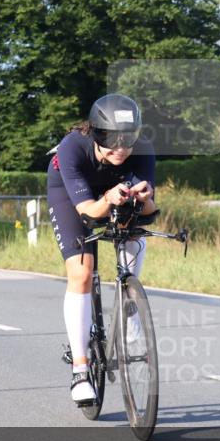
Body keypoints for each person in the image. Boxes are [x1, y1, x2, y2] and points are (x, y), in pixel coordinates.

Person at [46, 94, 156, 406]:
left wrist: (145, 198)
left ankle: (129, 301)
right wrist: (107, 199)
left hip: (112, 193)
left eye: (128, 139)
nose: (121, 149)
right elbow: (88, 211)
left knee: (133, 230)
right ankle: (80, 369)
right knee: (81, 272)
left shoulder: (143, 149)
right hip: (72, 197)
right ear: (96, 134)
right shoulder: (71, 148)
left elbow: (150, 211)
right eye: (111, 140)